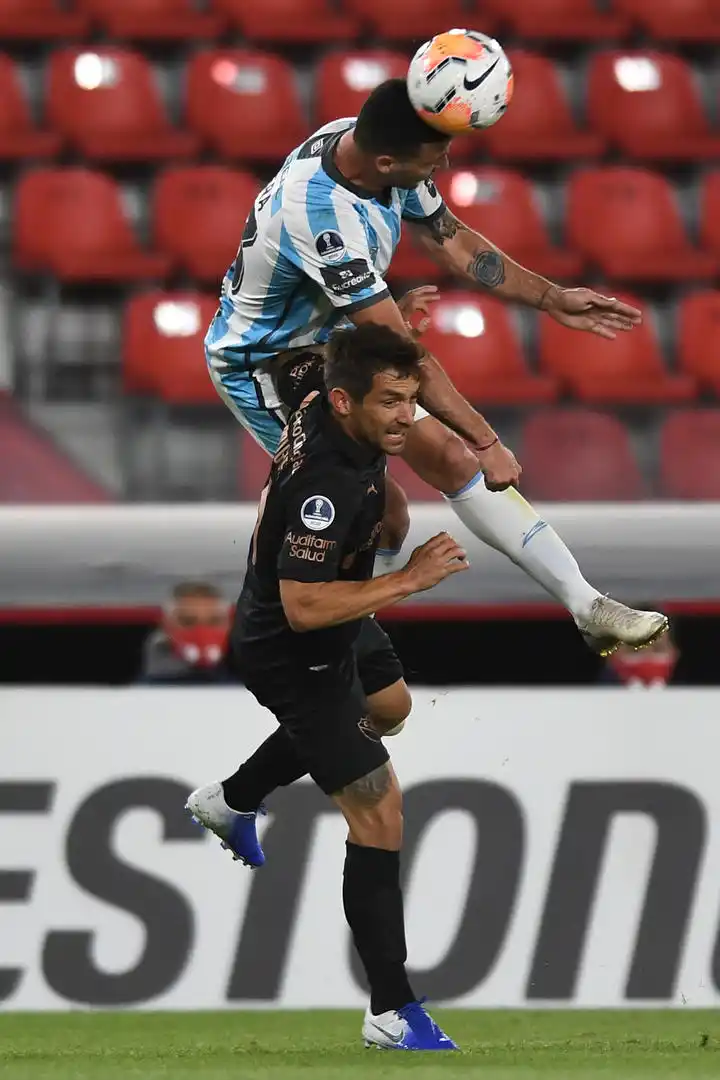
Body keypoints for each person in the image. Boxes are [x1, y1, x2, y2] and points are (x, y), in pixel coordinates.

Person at [204, 76, 667, 656]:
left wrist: (552, 298)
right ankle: (323, 644)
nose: (445, 162)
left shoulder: (363, 151)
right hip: (265, 363)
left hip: (331, 340)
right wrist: (487, 438)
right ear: (389, 160)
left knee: (448, 459)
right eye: (434, 156)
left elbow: (451, 242)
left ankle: (586, 605)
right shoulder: (322, 218)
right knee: (384, 509)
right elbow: (405, 355)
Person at [188, 325, 468, 1051]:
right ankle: (390, 1009)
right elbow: (303, 608)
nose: (408, 416)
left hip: (339, 618)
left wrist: (392, 319)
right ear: (345, 403)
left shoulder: (319, 391)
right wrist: (410, 577)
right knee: (379, 815)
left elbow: (299, 361)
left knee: (391, 707)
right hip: (295, 650)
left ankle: (235, 797)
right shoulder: (329, 484)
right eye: (391, 402)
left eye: (411, 400)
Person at [137, 582, 235, 685]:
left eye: (214, 621)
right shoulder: (139, 695)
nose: (202, 631)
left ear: (229, 625)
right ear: (166, 626)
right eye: (188, 621)